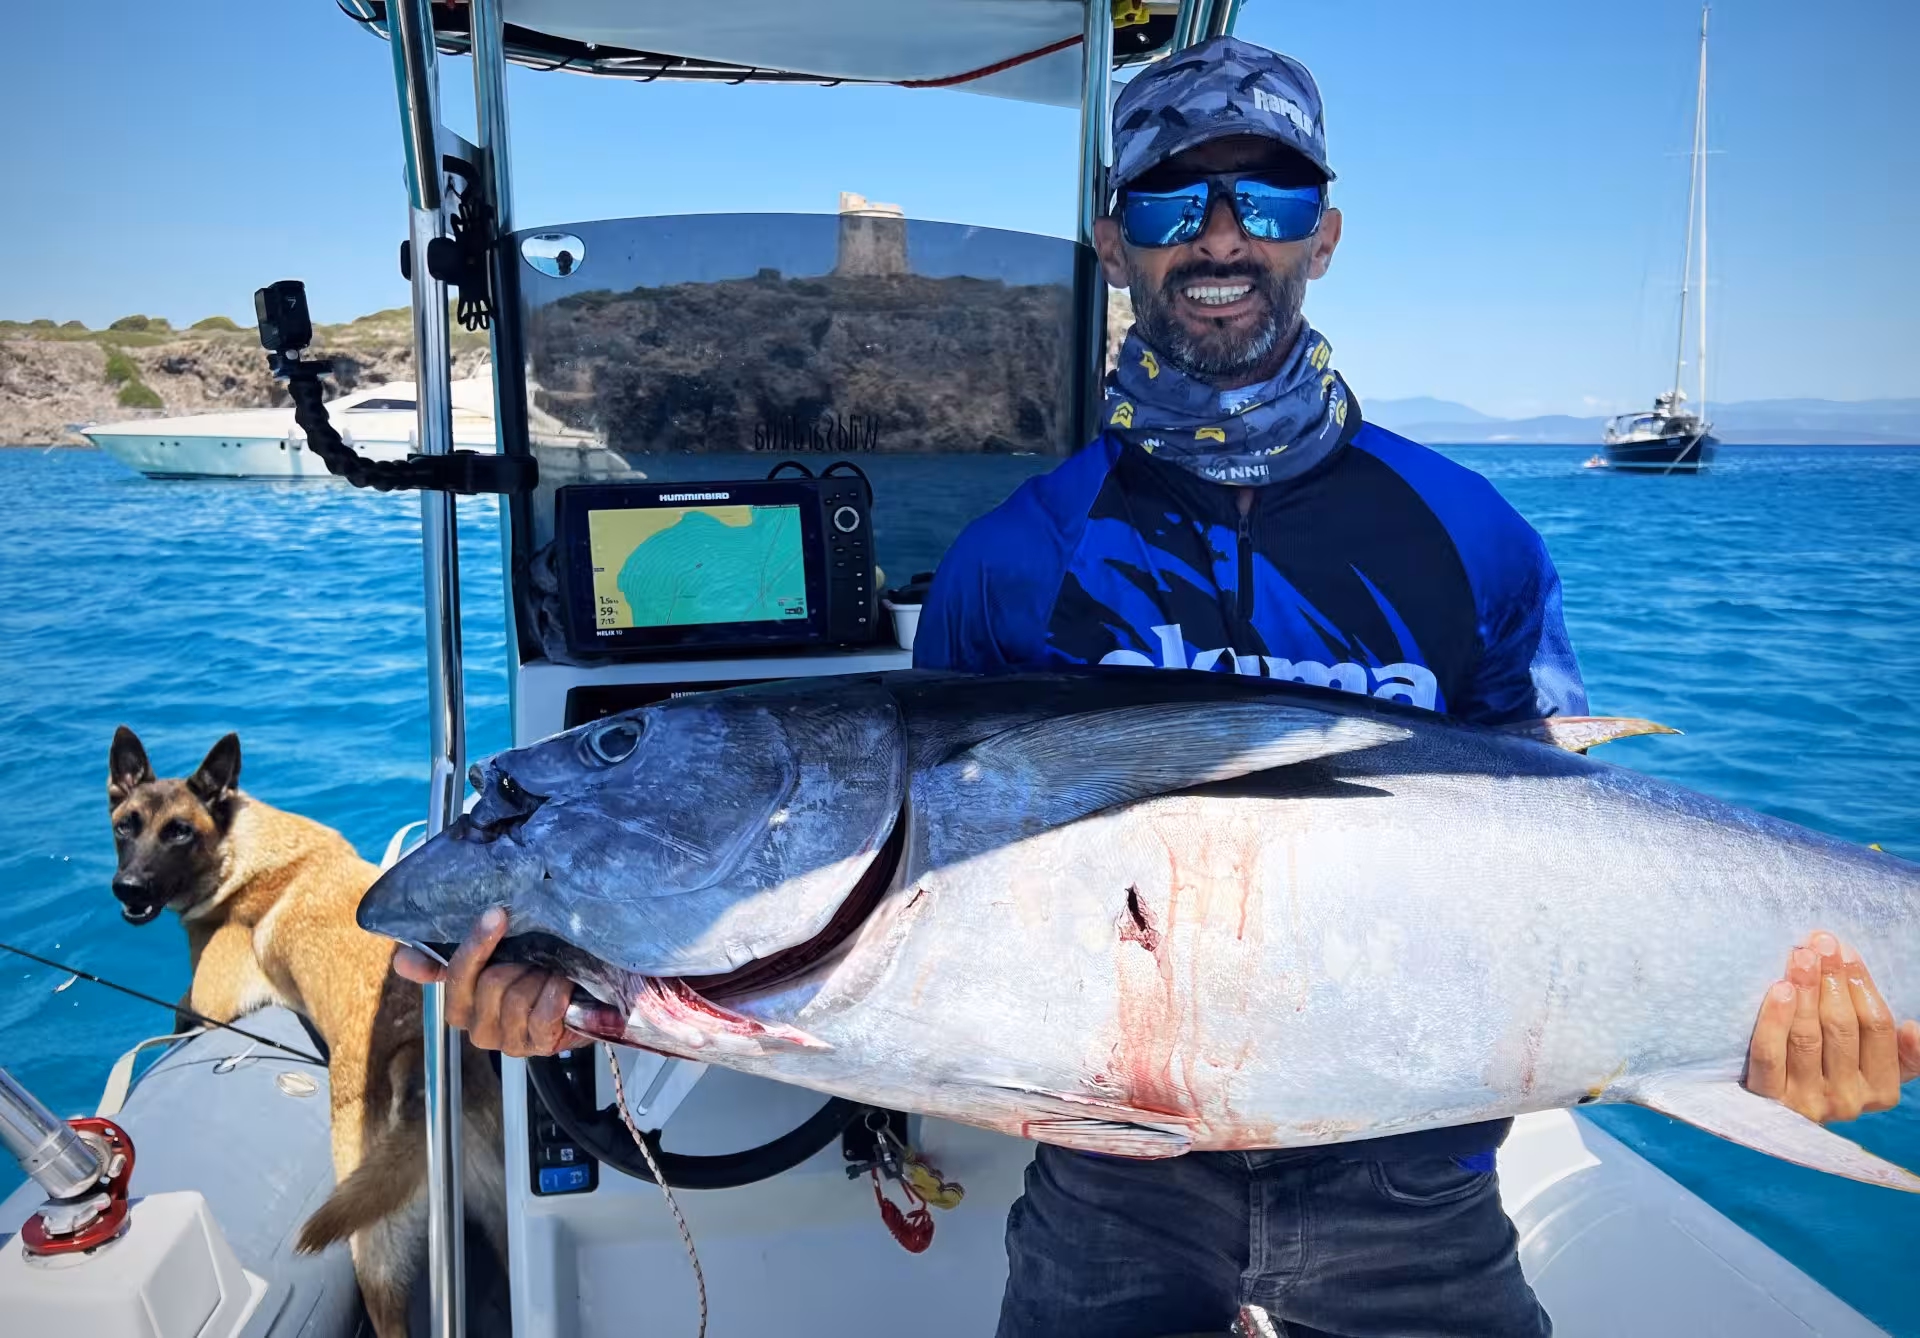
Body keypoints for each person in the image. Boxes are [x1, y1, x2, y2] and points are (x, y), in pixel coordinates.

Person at [396, 34, 1920, 1337]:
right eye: (1175, 198)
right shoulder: (1014, 563)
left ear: (1325, 233)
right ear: (1119, 239)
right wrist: (593, 985)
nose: (1222, 235)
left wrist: (1768, 1029)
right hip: (1113, 1196)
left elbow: (1568, 859)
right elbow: (908, 957)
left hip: (1420, 1187)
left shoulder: (1476, 539)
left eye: (1268, 197)